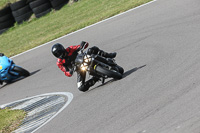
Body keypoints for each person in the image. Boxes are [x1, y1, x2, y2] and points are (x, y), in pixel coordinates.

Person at [51, 41, 117, 92]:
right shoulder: (59, 62)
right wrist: (70, 71)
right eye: (57, 54)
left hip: (83, 58)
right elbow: (66, 72)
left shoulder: (69, 49)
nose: (60, 54)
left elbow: (80, 46)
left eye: (60, 52)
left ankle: (108, 56)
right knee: (81, 87)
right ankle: (96, 78)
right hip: (78, 68)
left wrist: (82, 45)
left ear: (62, 48)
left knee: (92, 49)